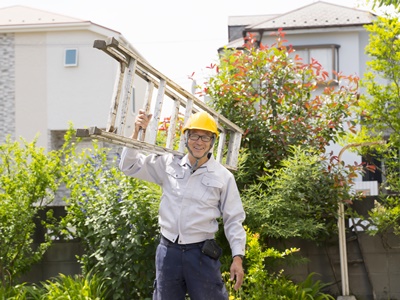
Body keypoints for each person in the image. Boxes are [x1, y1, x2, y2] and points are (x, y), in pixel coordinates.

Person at [119, 109, 246, 300]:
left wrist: (238, 257)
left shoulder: (223, 176)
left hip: (201, 255)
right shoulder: (168, 164)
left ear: (212, 142)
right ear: (186, 137)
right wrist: (136, 132)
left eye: (205, 137)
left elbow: (233, 219)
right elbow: (129, 166)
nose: (199, 142)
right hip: (168, 251)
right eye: (194, 135)